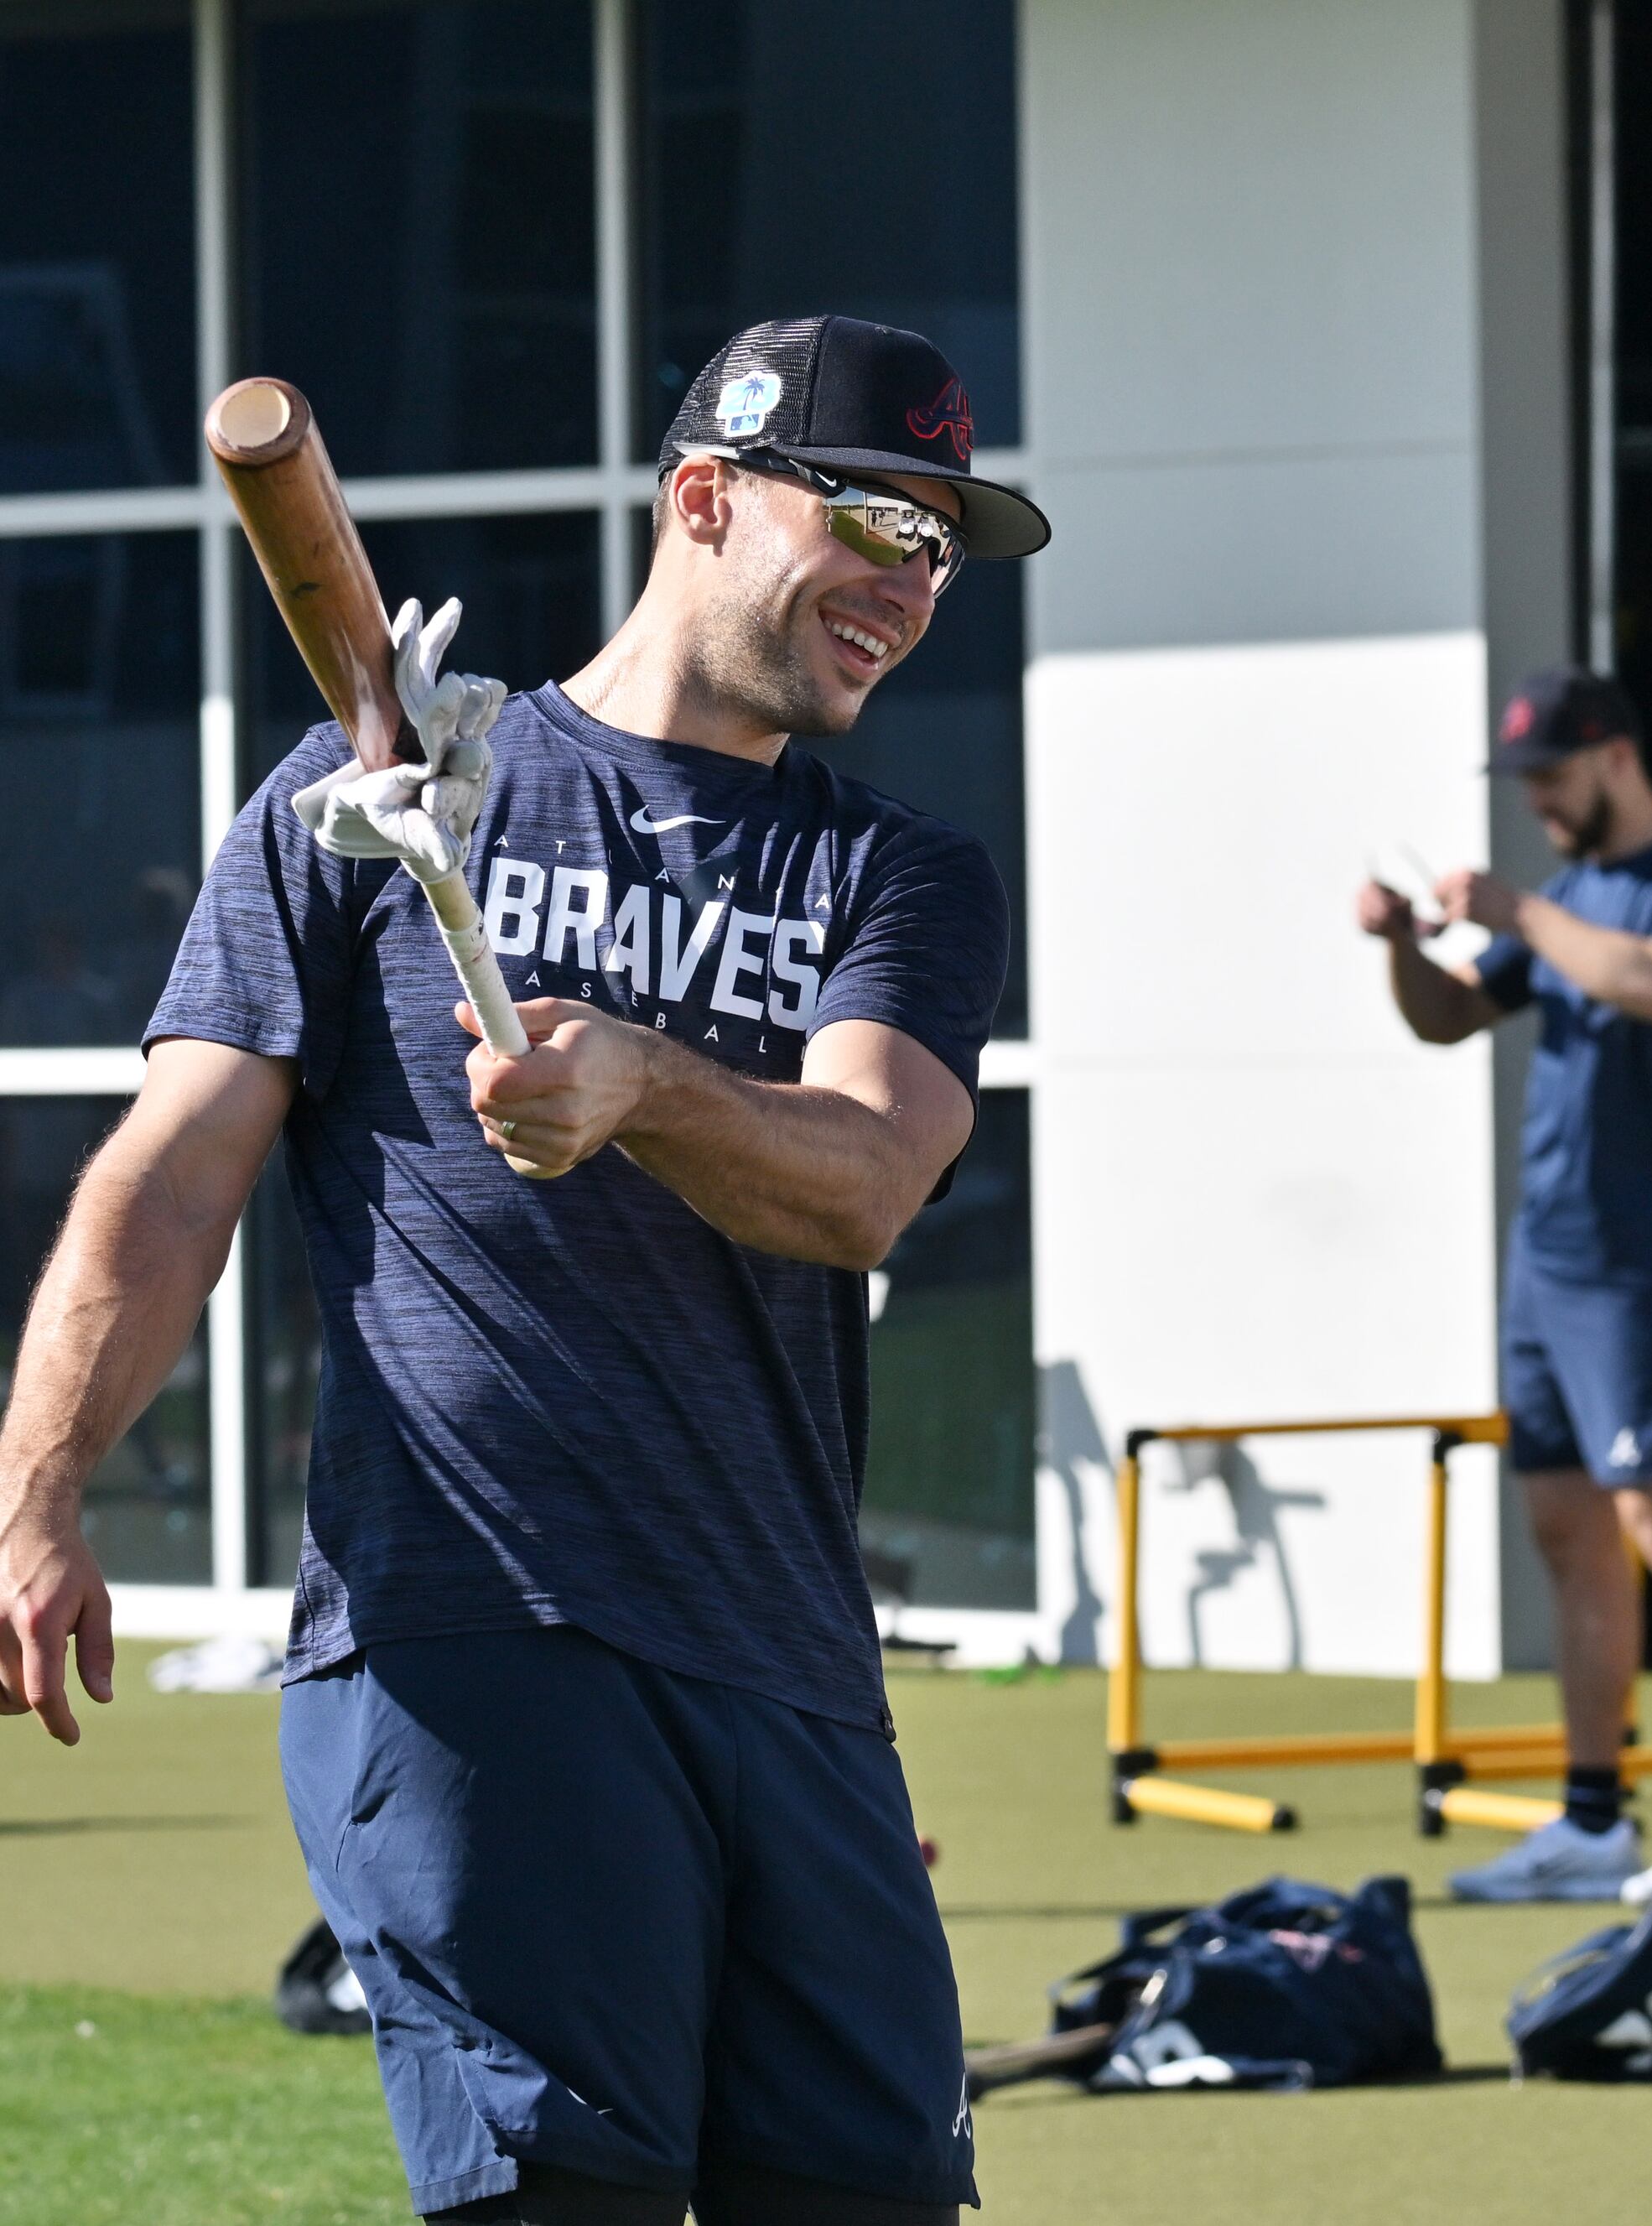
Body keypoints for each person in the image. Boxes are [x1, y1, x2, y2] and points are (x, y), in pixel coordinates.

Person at [0, 314, 1046, 2226]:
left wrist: (645, 1081)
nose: (913, 589)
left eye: (945, 551)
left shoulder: (899, 875)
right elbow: (172, 1173)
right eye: (879, 526)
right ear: (708, 497)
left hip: (792, 1665)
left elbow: (867, 1180)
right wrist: (44, 1482)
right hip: (480, 1627)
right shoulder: (373, 798)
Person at [1357, 666, 1652, 1906]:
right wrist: (1400, 944)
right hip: (1548, 1261)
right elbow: (1448, 1016)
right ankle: (1593, 1819)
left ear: (1614, 758)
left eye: (1550, 775)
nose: (1536, 800)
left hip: (1651, 1260)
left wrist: (1517, 913)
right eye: (1524, 779)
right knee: (1564, 1529)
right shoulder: (1571, 897)